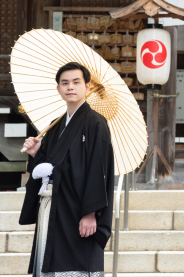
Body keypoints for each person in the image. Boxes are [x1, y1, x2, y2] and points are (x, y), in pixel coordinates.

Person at [19, 62, 115, 277]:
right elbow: (48, 168)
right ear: (58, 88)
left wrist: (90, 213)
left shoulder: (95, 123)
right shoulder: (56, 124)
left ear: (87, 87)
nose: (70, 87)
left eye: (76, 82)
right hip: (52, 206)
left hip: (78, 208)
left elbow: (98, 169)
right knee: (49, 259)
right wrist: (36, 154)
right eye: (65, 83)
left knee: (76, 261)